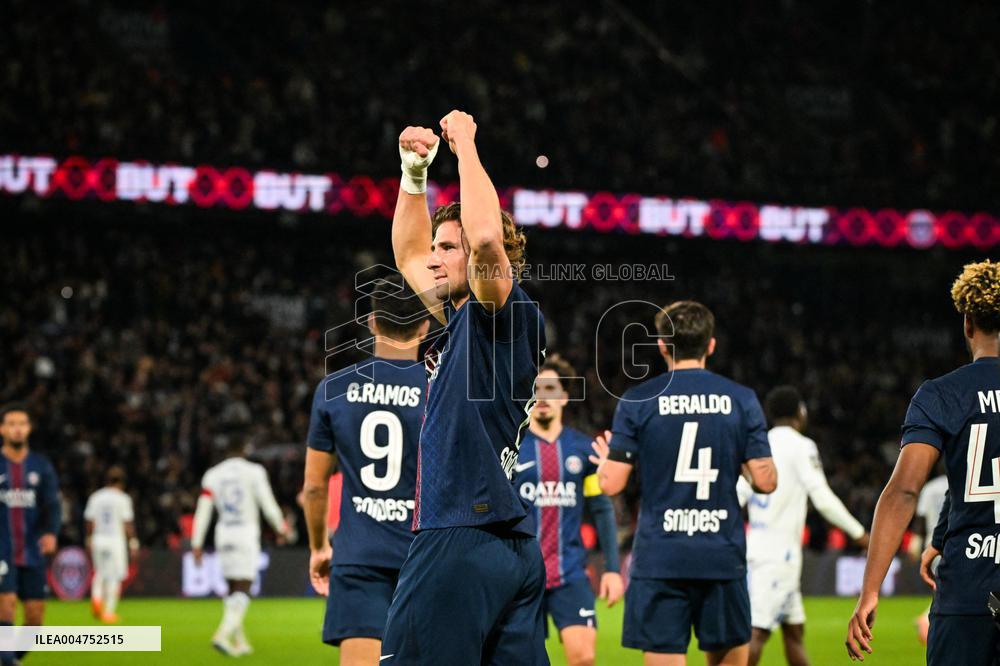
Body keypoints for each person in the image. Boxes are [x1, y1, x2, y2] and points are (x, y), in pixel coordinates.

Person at [379, 111, 548, 664]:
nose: (435, 256)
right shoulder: (463, 322)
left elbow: (482, 239)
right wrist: (413, 175)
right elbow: (407, 255)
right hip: (509, 545)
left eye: (445, 248)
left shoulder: (500, 309)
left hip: (458, 531)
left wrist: (467, 146)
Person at [590, 300, 777, 666]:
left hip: (661, 558)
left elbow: (611, 485)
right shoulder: (742, 401)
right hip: (721, 557)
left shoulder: (638, 400)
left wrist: (603, 465)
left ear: (662, 345)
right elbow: (766, 482)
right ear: (711, 345)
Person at [846, 259, 1000, 665]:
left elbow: (905, 489)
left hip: (968, 589)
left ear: (967, 323)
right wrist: (939, 534)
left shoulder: (940, 395)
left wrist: (870, 590)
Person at [303, 281, 429, 665]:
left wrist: (319, 547)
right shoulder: (439, 389)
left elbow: (313, 487)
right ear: (425, 326)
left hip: (359, 556)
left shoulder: (334, 389)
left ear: (372, 321)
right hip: (426, 557)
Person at [736, 385, 869, 666]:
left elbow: (738, 494)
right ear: (800, 412)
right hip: (778, 557)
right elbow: (822, 498)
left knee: (794, 632)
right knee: (757, 632)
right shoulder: (801, 446)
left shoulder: (758, 442)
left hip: (759, 550)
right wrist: (859, 533)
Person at [515, 354, 624, 666]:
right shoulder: (514, 448)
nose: (543, 398)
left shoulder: (582, 449)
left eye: (551, 389)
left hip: (570, 574)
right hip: (522, 576)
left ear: (563, 396)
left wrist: (614, 569)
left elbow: (601, 508)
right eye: (537, 390)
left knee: (584, 657)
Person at [192, 438, 289, 657]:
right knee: (243, 588)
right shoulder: (254, 472)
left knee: (232, 589)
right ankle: (222, 634)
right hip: (245, 534)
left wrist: (197, 543)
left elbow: (203, 511)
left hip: (223, 534)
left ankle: (239, 642)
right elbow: (267, 503)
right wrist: (280, 527)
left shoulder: (213, 475)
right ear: (244, 451)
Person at [0, 403, 62, 665]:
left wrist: (51, 532)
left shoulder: (40, 465)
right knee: (7, 604)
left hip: (32, 550)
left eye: (22, 424)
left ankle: (10, 657)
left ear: (29, 429)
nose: (17, 429)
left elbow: (53, 504)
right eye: (11, 424)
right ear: (2, 429)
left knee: (35, 618)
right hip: (2, 549)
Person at [84, 465, 139, 623]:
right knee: (115, 575)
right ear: (122, 482)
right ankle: (108, 611)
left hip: (98, 538)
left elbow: (89, 521)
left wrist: (88, 539)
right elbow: (127, 523)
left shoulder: (96, 497)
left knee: (100, 572)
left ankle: (96, 599)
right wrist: (134, 543)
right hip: (115, 540)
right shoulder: (123, 498)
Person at [911, 473, 947, 644]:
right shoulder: (964, 480)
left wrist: (915, 543)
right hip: (952, 545)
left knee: (945, 588)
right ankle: (927, 618)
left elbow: (920, 520)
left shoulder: (930, 488)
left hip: (931, 546)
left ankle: (928, 617)